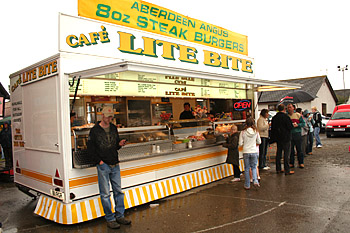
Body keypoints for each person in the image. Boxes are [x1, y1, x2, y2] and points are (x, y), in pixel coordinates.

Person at [87, 106, 131, 229]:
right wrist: (99, 162)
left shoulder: (113, 128)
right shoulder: (95, 131)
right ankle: (110, 218)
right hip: (103, 165)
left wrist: (120, 144)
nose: (109, 119)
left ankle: (120, 216)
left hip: (115, 163)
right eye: (107, 116)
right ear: (102, 116)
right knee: (105, 194)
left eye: (111, 117)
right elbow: (90, 149)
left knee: (118, 192)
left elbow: (115, 145)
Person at [270, 104, 294, 175]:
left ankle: (278, 169)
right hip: (286, 137)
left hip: (278, 138)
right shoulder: (286, 117)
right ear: (284, 109)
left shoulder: (274, 118)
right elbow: (290, 127)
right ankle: (287, 170)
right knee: (286, 154)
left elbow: (273, 128)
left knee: (279, 153)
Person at [239, 118, 261, 190]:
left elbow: (240, 143)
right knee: (254, 167)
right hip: (254, 151)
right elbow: (259, 141)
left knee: (247, 168)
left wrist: (245, 143)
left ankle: (247, 184)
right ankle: (255, 180)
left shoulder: (242, 132)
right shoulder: (256, 132)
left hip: (246, 151)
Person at [287, 104, 306, 169]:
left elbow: (303, 123)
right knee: (291, 149)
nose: (289, 109)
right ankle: (291, 163)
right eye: (288, 108)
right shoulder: (286, 116)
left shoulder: (298, 115)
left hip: (297, 133)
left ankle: (301, 162)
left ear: (293, 108)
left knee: (299, 149)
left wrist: (297, 125)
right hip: (290, 134)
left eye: (290, 107)